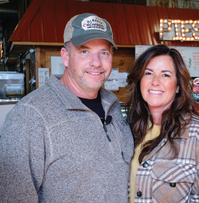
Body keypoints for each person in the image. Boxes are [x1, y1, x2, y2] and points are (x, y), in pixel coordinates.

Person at [0, 13, 133, 202]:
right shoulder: (30, 115)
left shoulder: (112, 106)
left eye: (104, 52)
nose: (96, 62)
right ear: (66, 56)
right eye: (84, 51)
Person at [126, 45, 199, 203]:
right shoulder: (127, 128)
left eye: (165, 75)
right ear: (140, 80)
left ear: (178, 86)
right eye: (148, 73)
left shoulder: (197, 134)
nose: (155, 82)